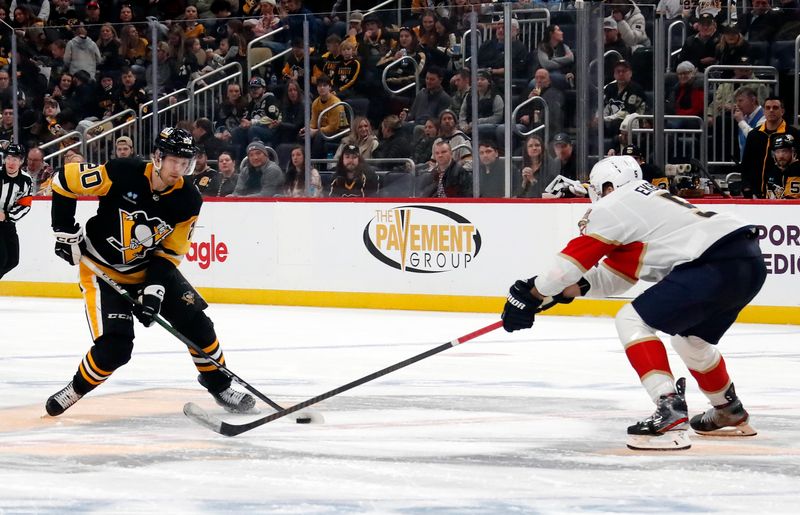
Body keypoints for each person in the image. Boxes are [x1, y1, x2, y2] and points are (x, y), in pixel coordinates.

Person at [501, 155, 765, 451]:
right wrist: (566, 291)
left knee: (631, 320)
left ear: (608, 186)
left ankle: (669, 412)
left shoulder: (615, 204)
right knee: (691, 341)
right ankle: (728, 410)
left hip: (712, 262)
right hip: (748, 260)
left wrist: (532, 294)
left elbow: (565, 268)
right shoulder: (647, 206)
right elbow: (615, 278)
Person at [46, 128, 257, 416]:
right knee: (116, 349)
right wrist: (64, 231)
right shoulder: (122, 171)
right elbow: (62, 180)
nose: (180, 169)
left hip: (147, 268)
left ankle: (219, 385)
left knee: (198, 325)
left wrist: (154, 291)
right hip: (102, 271)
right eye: (175, 161)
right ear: (157, 157)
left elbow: (170, 252)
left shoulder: (188, 198)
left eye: (186, 163)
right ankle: (75, 389)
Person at [741, 96, 800, 198]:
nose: (771, 110)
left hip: (784, 195)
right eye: (768, 108)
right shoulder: (754, 135)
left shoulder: (794, 134)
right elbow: (746, 164)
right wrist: (746, 186)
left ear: (782, 111)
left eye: (775, 107)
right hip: (755, 195)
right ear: (764, 111)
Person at [0, 144, 33, 280]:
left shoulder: (26, 180)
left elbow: (25, 205)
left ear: (21, 161)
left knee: (13, 261)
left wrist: (7, 215)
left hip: (8, 224)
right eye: (8, 158)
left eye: (15, 159)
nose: (11, 162)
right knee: (1, 259)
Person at [767, 133, 800, 198]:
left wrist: (793, 167)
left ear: (793, 152)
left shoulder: (797, 170)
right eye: (777, 152)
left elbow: (791, 202)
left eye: (785, 151)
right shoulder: (771, 171)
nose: (781, 156)